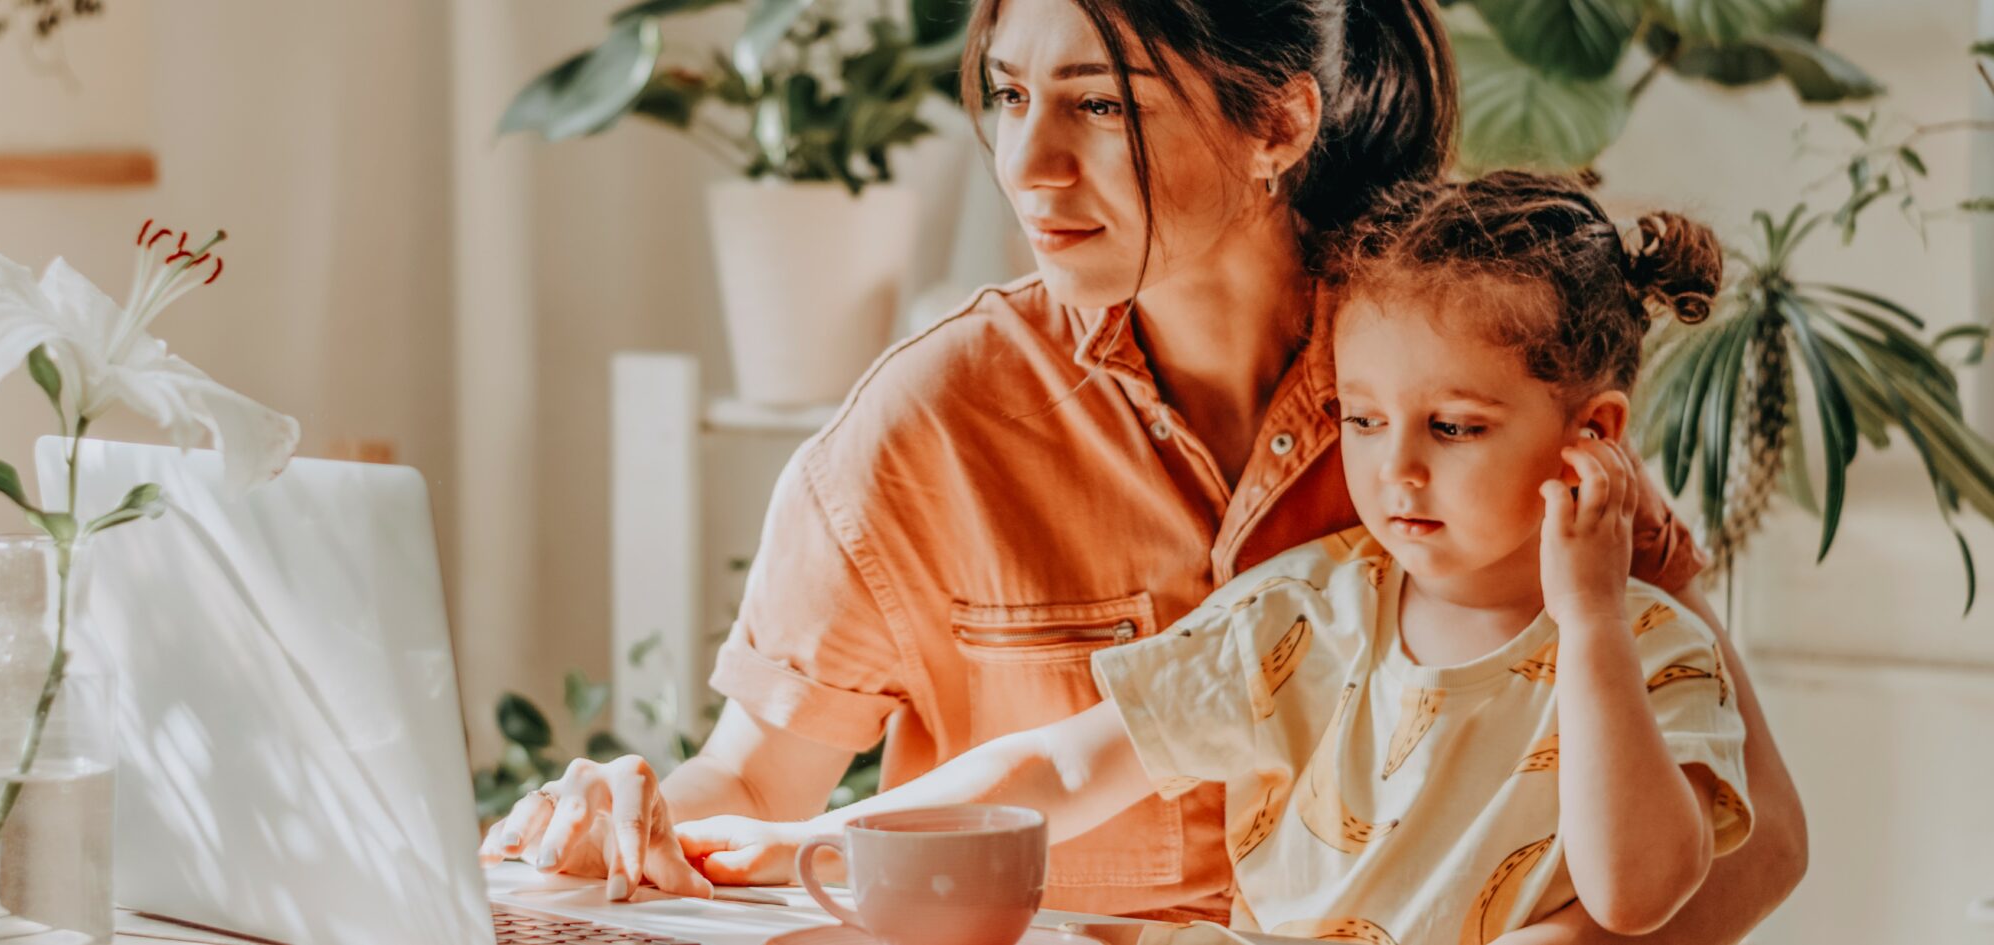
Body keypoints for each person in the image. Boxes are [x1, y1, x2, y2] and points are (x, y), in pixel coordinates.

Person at [483, 0, 1809, 932]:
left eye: (1098, 105)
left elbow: (1755, 835)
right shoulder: (930, 422)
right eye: (1005, 95)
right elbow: (759, 793)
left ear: (1279, 121)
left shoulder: (1469, 373)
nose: (1026, 164)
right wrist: (626, 810)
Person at [672, 172, 1755, 945]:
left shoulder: (1659, 652)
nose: (1398, 473)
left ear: (1595, 436)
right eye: (1365, 421)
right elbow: (1059, 768)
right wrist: (819, 839)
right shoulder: (1302, 612)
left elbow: (1636, 895)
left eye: (1456, 428)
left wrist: (1594, 625)